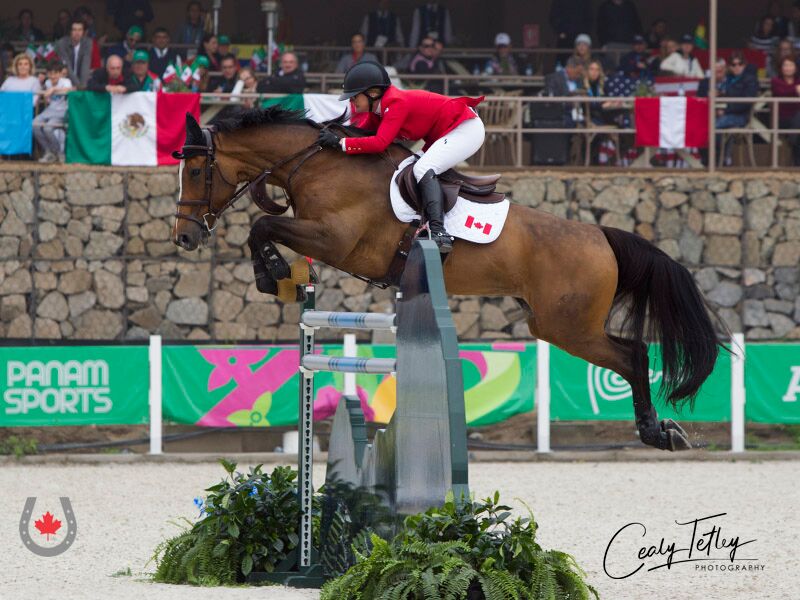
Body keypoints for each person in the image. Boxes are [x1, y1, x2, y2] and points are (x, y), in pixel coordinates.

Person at [316, 61, 485, 253]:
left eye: (354, 97)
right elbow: (360, 133)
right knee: (410, 166)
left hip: (465, 129)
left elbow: (380, 142)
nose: (352, 102)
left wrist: (341, 143)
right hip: (443, 134)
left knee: (422, 169)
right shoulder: (377, 109)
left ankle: (439, 232)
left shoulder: (396, 102)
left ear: (372, 93)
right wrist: (335, 139)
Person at [716, 52, 759, 163]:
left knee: (713, 127)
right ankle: (724, 159)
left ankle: (712, 160)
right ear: (729, 67)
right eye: (733, 64)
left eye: (740, 64)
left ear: (744, 65)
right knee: (706, 123)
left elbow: (746, 102)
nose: (737, 67)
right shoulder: (728, 79)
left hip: (741, 116)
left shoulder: (750, 80)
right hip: (727, 113)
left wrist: (725, 110)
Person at [34, 61, 73, 162]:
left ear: (60, 73)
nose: (53, 75)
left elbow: (68, 90)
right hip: (50, 110)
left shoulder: (66, 81)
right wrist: (41, 82)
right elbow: (44, 94)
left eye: (56, 73)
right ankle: (48, 152)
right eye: (50, 73)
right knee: (34, 125)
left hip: (62, 111)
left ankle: (59, 152)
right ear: (47, 74)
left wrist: (54, 89)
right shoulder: (47, 82)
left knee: (47, 128)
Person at [772, 54, 800, 164]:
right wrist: (795, 89)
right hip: (782, 118)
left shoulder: (798, 81)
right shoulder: (775, 81)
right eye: (785, 65)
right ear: (781, 67)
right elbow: (781, 92)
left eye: (791, 65)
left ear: (795, 67)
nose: (788, 68)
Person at [544, 56, 584, 125]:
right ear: (569, 68)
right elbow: (551, 100)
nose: (579, 76)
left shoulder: (579, 80)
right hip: (561, 114)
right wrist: (569, 102)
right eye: (577, 73)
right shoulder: (553, 78)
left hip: (579, 113)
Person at [55, 19, 93, 88]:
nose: (77, 32)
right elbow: (67, 66)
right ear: (70, 31)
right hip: (65, 80)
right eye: (74, 30)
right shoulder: (62, 43)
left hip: (81, 82)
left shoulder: (87, 42)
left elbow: (85, 65)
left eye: (80, 30)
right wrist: (79, 86)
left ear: (83, 31)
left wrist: (83, 86)